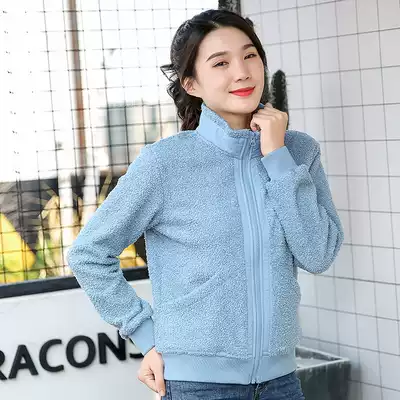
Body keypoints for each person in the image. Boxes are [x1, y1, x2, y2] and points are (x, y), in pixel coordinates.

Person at [67, 8, 344, 400]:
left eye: (250, 55)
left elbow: (318, 253)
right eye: (221, 63)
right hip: (197, 387)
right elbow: (89, 253)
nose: (242, 72)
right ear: (191, 83)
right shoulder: (166, 164)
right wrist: (146, 334)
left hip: (281, 383)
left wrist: (278, 158)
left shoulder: (298, 152)